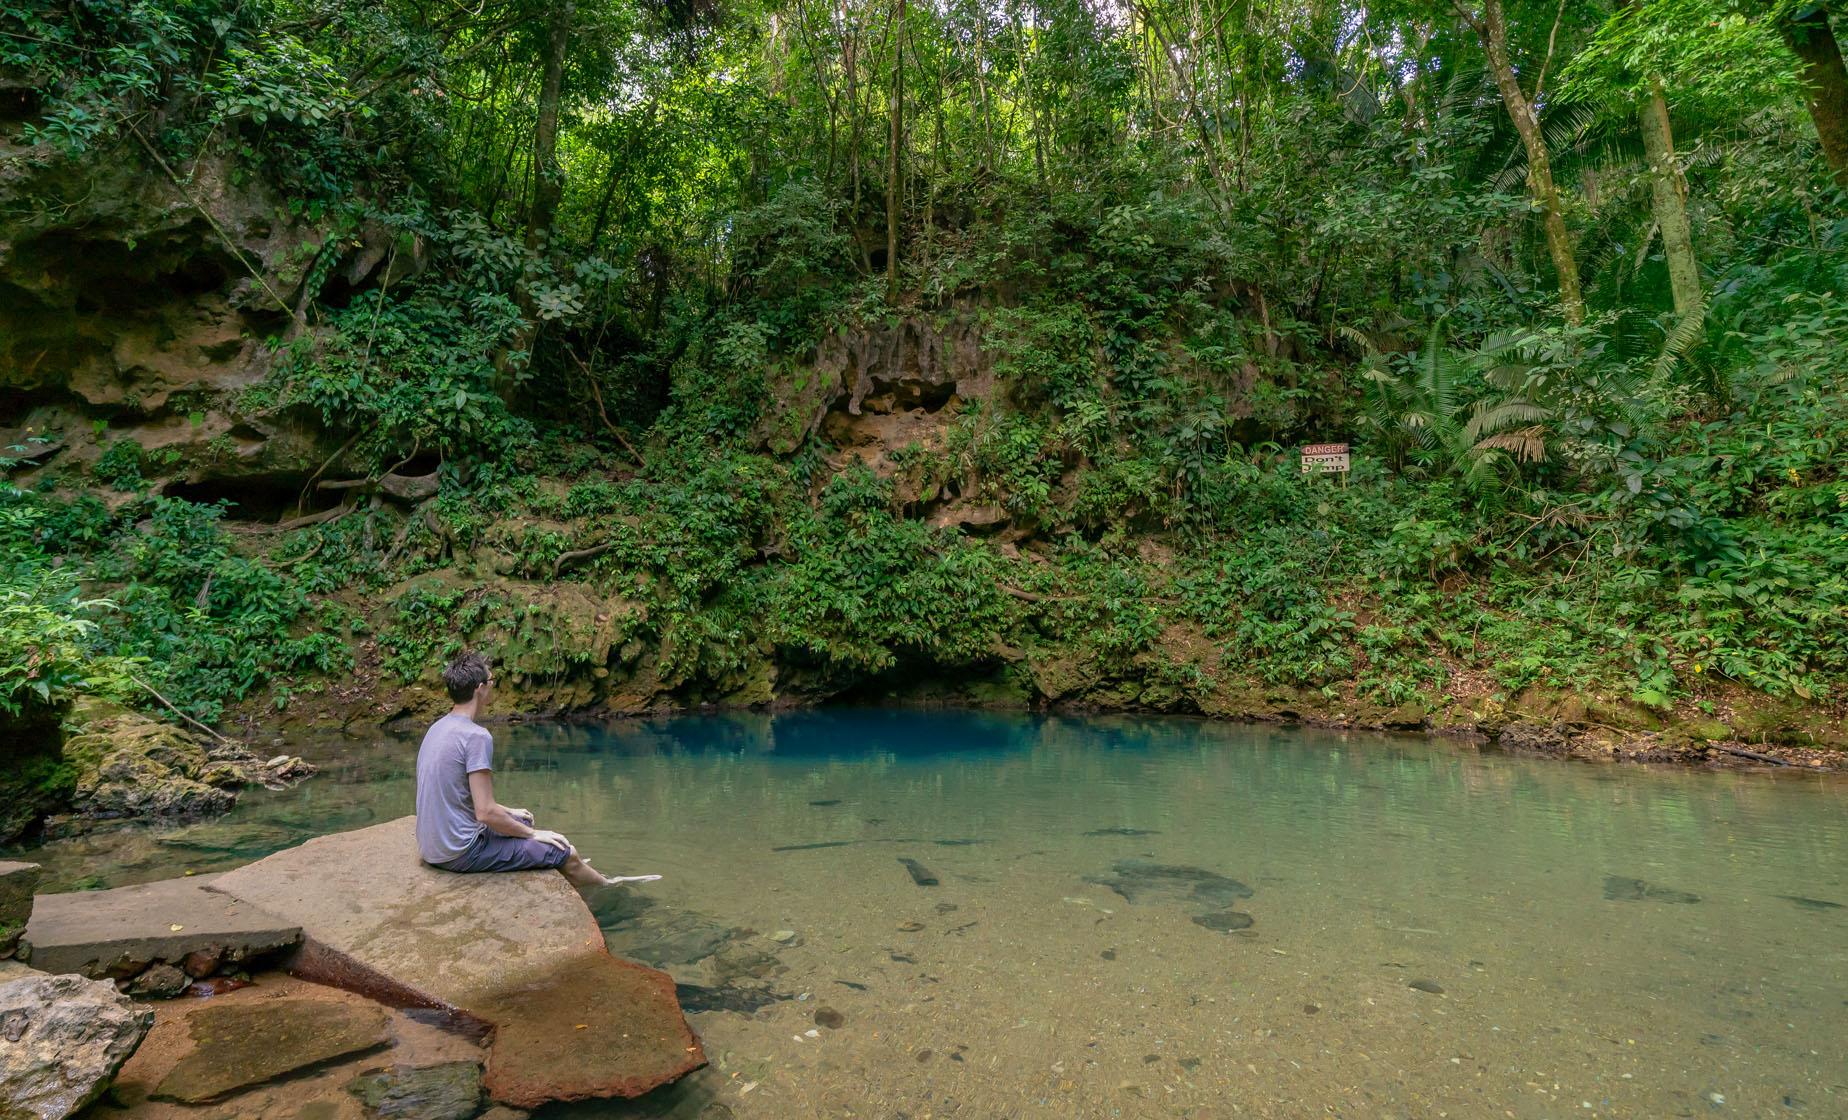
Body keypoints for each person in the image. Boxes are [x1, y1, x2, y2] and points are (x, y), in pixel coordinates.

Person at [414, 650, 658, 893]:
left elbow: (461, 796)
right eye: (491, 680)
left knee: (522, 819)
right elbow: (485, 812)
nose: (493, 686)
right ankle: (610, 887)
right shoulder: (476, 737)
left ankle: (562, 861)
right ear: (479, 688)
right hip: (460, 852)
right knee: (562, 850)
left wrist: (512, 814)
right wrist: (533, 835)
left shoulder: (438, 727)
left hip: (433, 847)